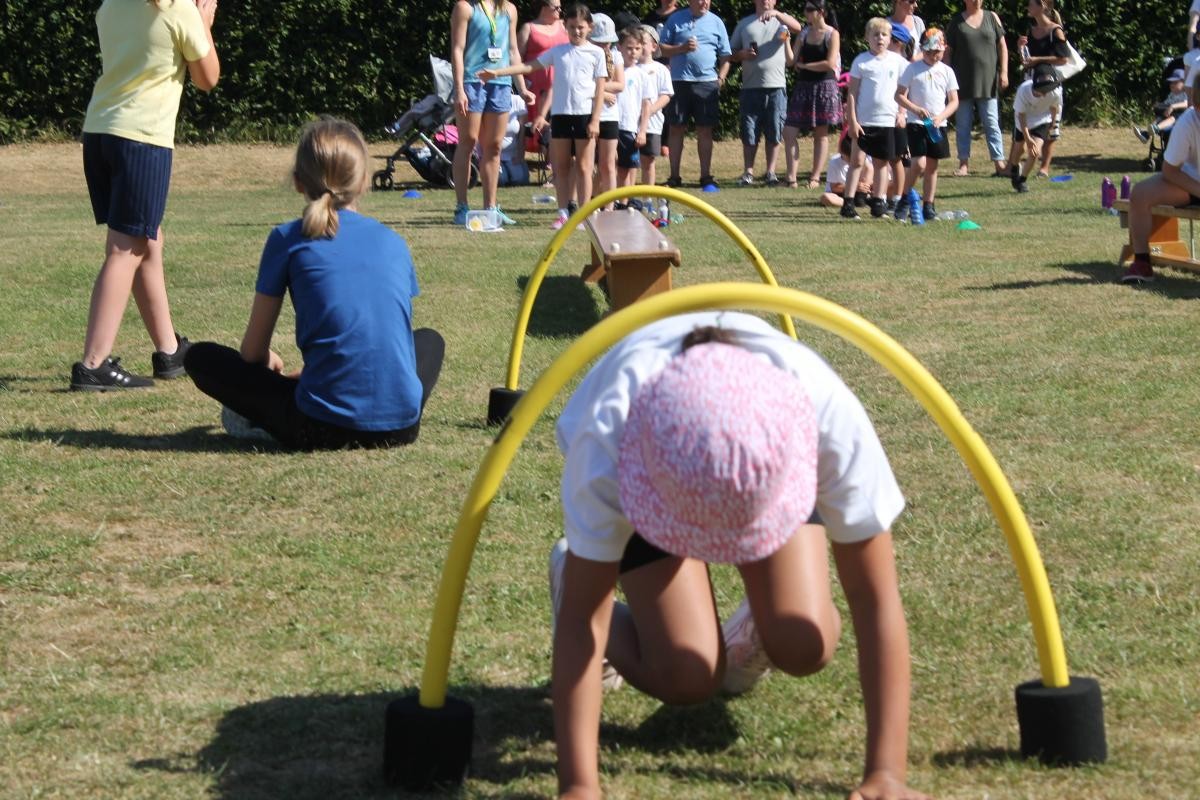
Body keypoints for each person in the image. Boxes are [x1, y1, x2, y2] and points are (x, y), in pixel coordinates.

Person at [548, 312, 928, 800]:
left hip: (751, 454)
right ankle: (569, 571)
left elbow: (874, 598)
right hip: (661, 468)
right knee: (687, 675)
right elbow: (584, 621)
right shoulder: (609, 442)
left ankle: (760, 625)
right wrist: (579, 786)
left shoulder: (824, 415)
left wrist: (887, 775)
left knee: (804, 641)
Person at [183, 118, 445, 450]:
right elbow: (382, 338)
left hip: (320, 427)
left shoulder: (287, 239)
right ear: (364, 181)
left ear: (298, 182)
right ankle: (379, 404)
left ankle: (302, 399)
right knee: (429, 341)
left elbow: (252, 354)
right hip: (402, 427)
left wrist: (271, 363)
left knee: (200, 358)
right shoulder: (392, 241)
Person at [70, 0, 219, 392]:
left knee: (146, 238)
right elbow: (208, 78)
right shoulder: (177, 9)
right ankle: (93, 365)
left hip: (100, 131)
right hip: (142, 139)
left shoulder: (112, 6)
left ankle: (169, 351)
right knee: (126, 248)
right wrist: (203, 24)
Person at [481, 3, 607, 230]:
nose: (576, 32)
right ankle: (562, 213)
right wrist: (498, 72)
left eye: (580, 27)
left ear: (589, 27)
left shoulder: (596, 53)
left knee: (585, 167)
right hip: (560, 116)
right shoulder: (558, 51)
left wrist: (595, 120)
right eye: (571, 27)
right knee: (561, 167)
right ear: (565, 27)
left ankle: (583, 212)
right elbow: (529, 67)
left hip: (584, 117)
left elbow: (600, 90)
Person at [450, 0, 534, 226]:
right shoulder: (465, 7)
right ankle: (462, 206)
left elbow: (513, 50)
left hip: (501, 83)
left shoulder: (509, 9)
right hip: (472, 82)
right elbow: (457, 49)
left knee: (495, 145)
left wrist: (523, 88)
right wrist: (459, 89)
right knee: (468, 141)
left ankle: (491, 207)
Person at [1122, 101, 1200, 284]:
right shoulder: (1187, 121)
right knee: (1140, 194)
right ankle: (1142, 263)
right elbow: (1170, 170)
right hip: (1189, 182)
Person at [658, 0, 733, 188]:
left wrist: (721, 79)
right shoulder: (675, 19)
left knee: (705, 130)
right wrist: (682, 49)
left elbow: (726, 56)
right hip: (679, 82)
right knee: (675, 129)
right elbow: (661, 48)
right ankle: (674, 177)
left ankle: (706, 177)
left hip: (707, 83)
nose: (704, 2)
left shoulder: (717, 22)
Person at [729, 0, 802, 187]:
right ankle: (748, 172)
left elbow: (798, 28)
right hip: (750, 86)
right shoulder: (745, 23)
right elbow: (730, 52)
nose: (765, 0)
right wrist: (742, 54)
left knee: (774, 130)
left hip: (776, 85)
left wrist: (777, 14)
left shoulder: (782, 21)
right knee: (749, 131)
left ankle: (771, 173)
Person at [840, 18, 908, 220]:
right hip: (864, 121)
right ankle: (848, 203)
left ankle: (878, 203)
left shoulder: (897, 62)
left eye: (884, 35)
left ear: (890, 39)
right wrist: (852, 120)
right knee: (857, 161)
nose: (880, 38)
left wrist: (902, 113)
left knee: (881, 162)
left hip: (887, 120)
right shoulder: (861, 61)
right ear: (867, 38)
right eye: (875, 34)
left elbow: (905, 90)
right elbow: (852, 92)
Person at [895, 27, 958, 221]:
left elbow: (954, 100)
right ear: (923, 49)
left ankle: (929, 205)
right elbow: (899, 95)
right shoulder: (912, 69)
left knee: (932, 166)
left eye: (937, 52)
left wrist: (941, 117)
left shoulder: (947, 71)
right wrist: (915, 110)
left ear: (944, 49)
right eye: (929, 51)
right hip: (916, 124)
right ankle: (906, 196)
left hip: (937, 125)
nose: (933, 55)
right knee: (919, 163)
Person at [944, 0, 1009, 177]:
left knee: (991, 123)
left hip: (988, 82)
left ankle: (999, 163)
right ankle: (963, 164)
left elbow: (1002, 46)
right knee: (963, 125)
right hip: (961, 82)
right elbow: (947, 52)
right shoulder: (956, 21)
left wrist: (1004, 72)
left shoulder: (991, 17)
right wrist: (946, 78)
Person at [782, 0, 842, 189]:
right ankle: (792, 178)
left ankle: (815, 178)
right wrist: (785, 41)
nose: (806, 13)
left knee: (820, 134)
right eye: (805, 9)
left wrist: (805, 66)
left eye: (809, 10)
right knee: (789, 131)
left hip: (825, 86)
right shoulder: (804, 33)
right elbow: (791, 61)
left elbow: (830, 63)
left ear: (821, 12)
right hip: (804, 87)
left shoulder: (832, 34)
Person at [1015, 0, 1069, 177]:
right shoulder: (1031, 30)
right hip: (1031, 83)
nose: (1028, 7)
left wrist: (1038, 59)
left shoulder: (1056, 31)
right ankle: (1018, 166)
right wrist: (1021, 48)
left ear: (1042, 6)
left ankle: (1044, 167)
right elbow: (1026, 61)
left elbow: (1063, 59)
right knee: (1024, 127)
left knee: (1050, 129)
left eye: (1031, 4)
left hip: (1050, 84)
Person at [1007, 64, 1060, 194]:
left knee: (1034, 152)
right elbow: (1021, 116)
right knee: (1020, 149)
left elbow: (1054, 107)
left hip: (1042, 120)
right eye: (1041, 91)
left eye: (1046, 91)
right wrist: (1028, 138)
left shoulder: (1055, 92)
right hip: (1023, 121)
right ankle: (1014, 168)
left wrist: (1053, 124)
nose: (1044, 94)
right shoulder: (1023, 91)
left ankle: (1022, 180)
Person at [589, 13, 625, 205]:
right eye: (600, 42)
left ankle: (609, 205)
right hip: (587, 114)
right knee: (587, 164)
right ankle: (589, 203)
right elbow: (581, 83)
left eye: (608, 42)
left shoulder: (616, 55)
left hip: (610, 116)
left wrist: (598, 90)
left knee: (608, 163)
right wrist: (602, 94)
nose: (605, 46)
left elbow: (619, 84)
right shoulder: (585, 54)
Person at [518, 0, 570, 128]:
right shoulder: (529, 28)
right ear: (544, 7)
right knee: (533, 130)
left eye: (560, 8)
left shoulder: (565, 26)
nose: (560, 11)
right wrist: (522, 86)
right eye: (556, 8)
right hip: (535, 90)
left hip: (561, 88)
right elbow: (516, 59)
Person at [637, 25, 676, 187]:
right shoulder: (627, 68)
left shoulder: (661, 70)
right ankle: (622, 199)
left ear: (654, 46)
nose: (639, 46)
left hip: (652, 124)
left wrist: (650, 110)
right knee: (626, 163)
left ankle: (647, 196)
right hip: (629, 123)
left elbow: (666, 95)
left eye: (643, 42)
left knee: (648, 161)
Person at [615, 27, 652, 190]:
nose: (633, 52)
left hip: (629, 127)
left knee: (628, 168)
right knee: (607, 167)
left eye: (637, 48)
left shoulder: (642, 75)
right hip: (610, 124)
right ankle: (598, 202)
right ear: (619, 47)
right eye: (629, 48)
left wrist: (642, 130)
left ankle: (624, 201)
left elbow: (646, 105)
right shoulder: (612, 71)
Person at [1134, 68, 1189, 142]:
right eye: (1171, 83)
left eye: (1175, 82)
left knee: (1172, 118)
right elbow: (1166, 103)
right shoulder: (1171, 94)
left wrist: (1172, 106)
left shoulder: (1185, 93)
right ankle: (1146, 134)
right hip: (1168, 114)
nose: (1172, 85)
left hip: (1180, 117)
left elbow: (1186, 104)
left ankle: (1156, 128)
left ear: (1184, 83)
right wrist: (1159, 105)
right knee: (1159, 118)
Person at [820, 132, 874, 207]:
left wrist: (867, 186)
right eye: (848, 158)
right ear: (842, 153)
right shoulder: (834, 162)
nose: (851, 161)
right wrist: (855, 186)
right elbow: (834, 188)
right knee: (825, 197)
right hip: (840, 193)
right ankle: (851, 203)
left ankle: (861, 199)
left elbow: (869, 180)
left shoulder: (865, 161)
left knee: (870, 169)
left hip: (859, 192)